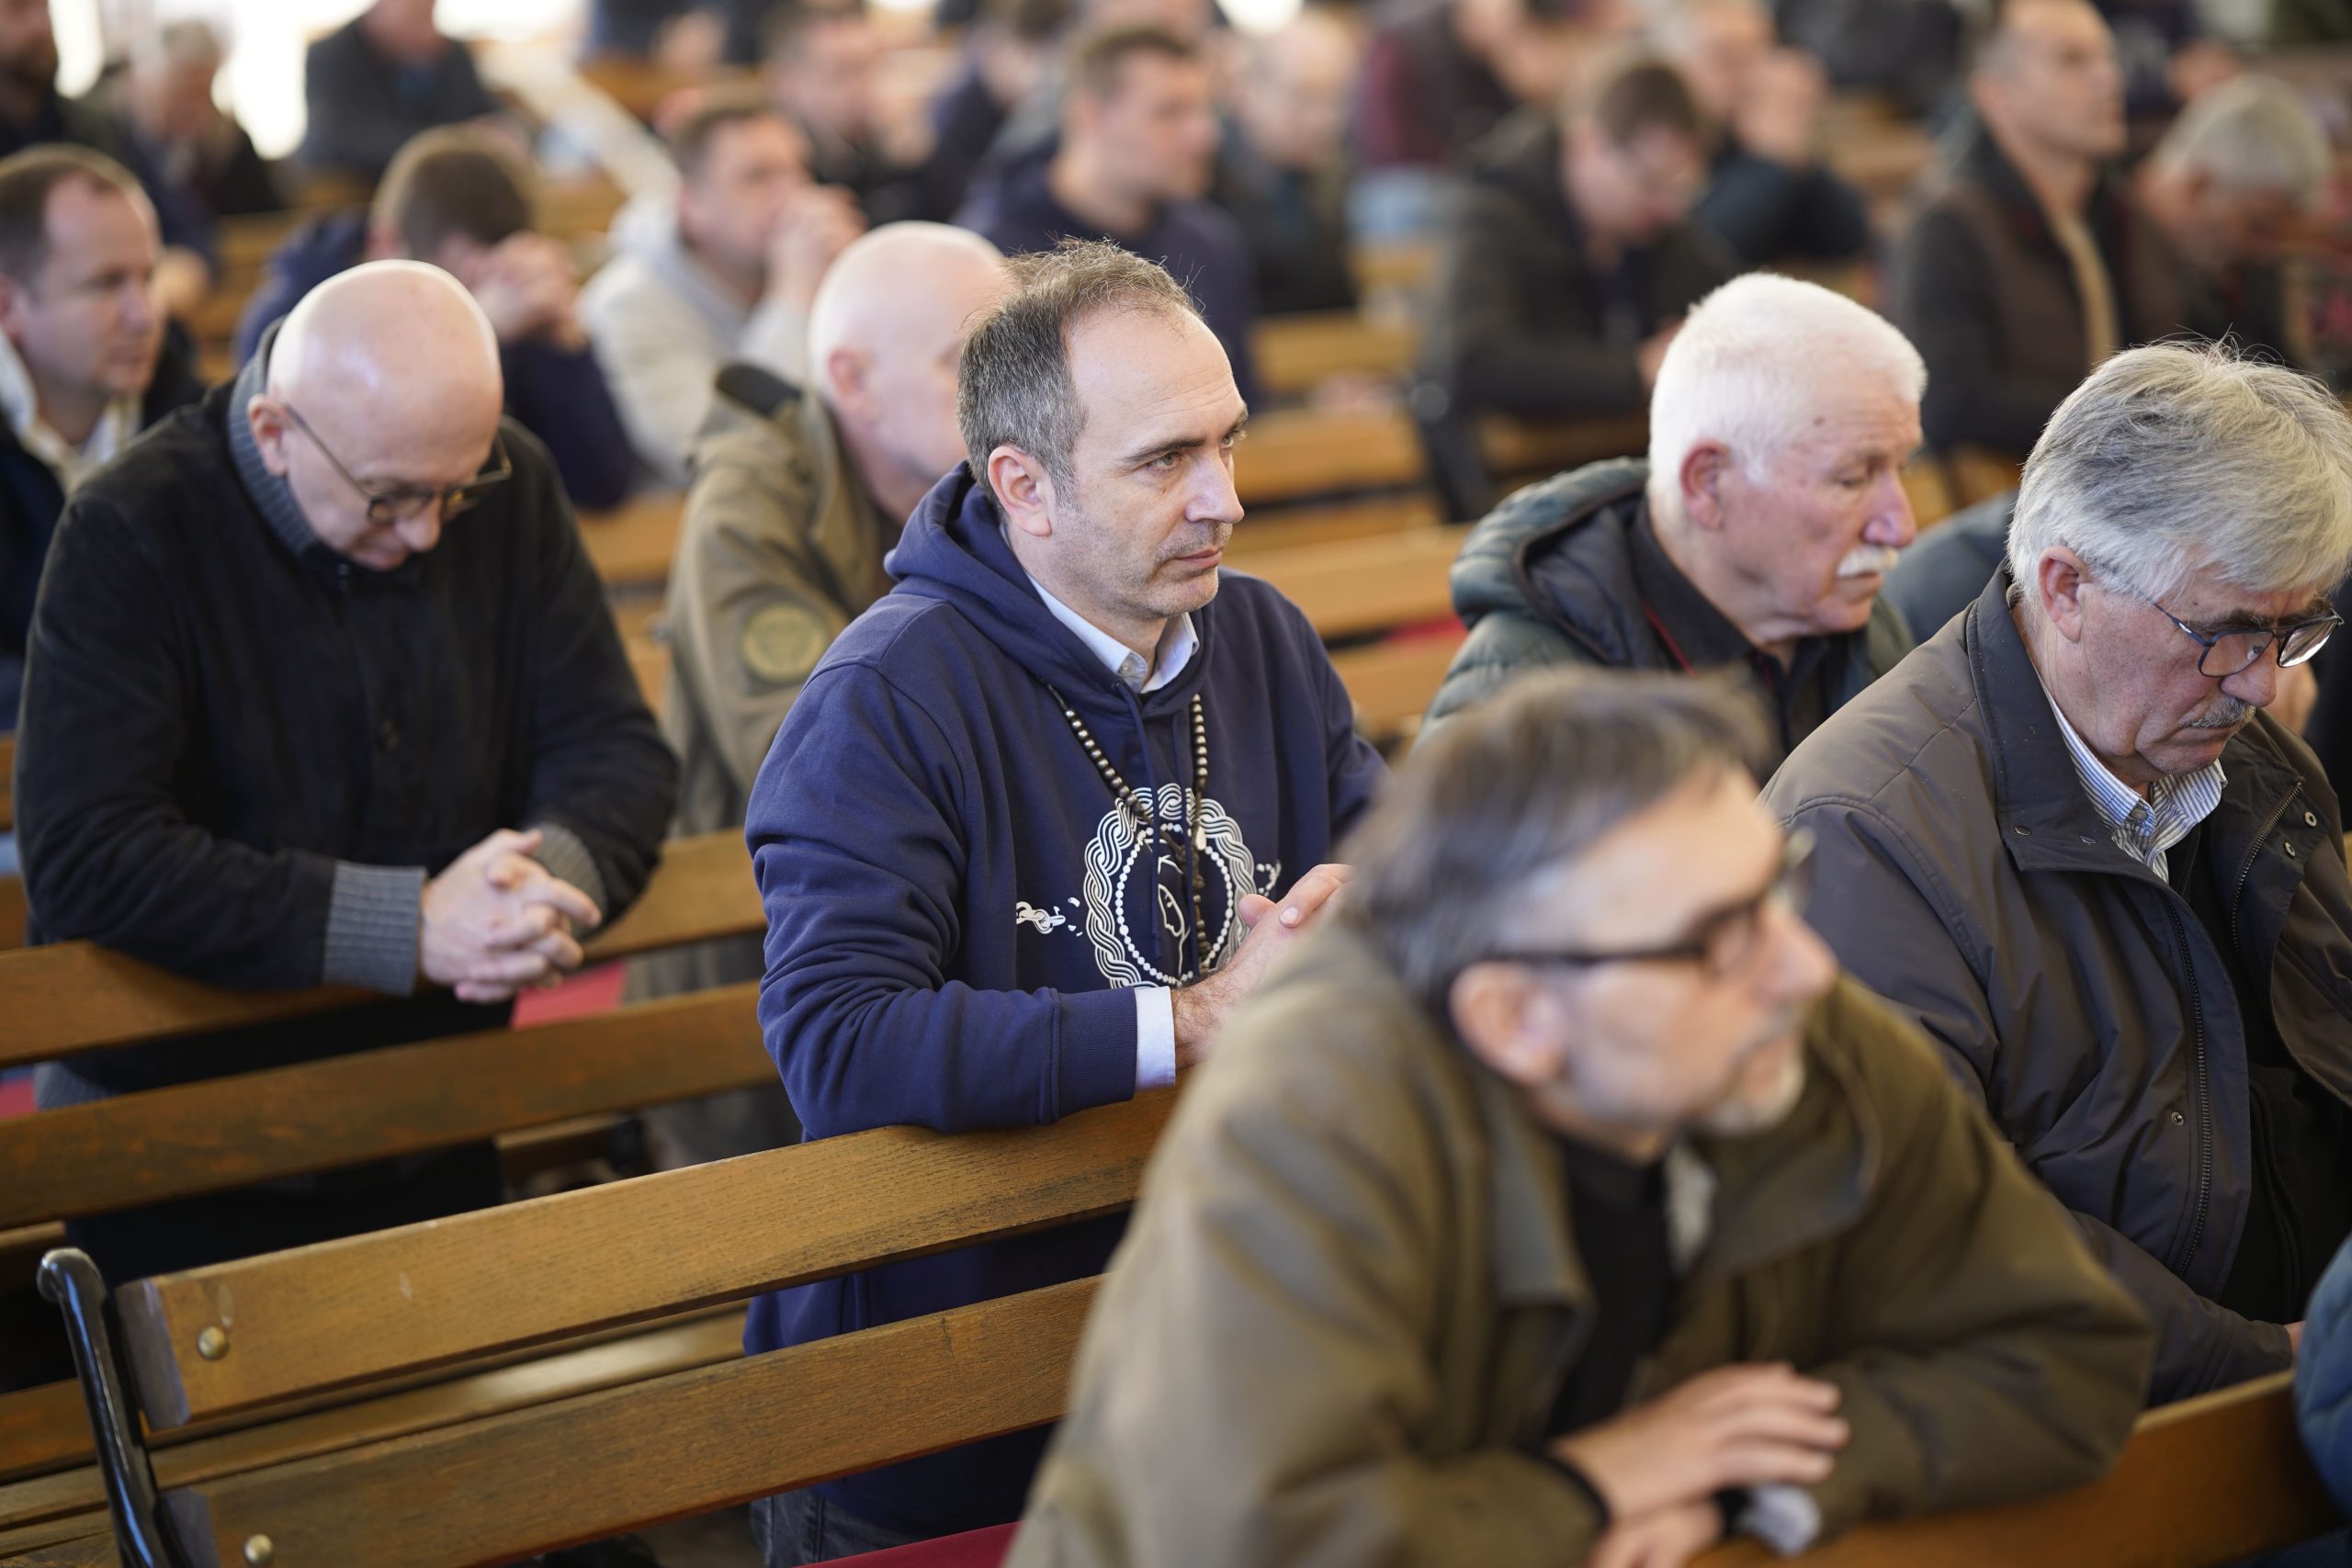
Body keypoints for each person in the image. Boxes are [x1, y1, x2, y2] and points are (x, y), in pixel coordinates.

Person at [1010, 669, 2155, 1567]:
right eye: (1716, 938)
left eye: (1780, 889)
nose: (1805, 967)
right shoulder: (1313, 1121)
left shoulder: (1796, 1039)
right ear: (1514, 1018)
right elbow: (1258, 1548)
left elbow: (2070, 1357)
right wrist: (1591, 1484)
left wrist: (1750, 1475)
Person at [741, 240, 1385, 1561]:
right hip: (951, 1400)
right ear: (1022, 486)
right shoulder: (886, 696)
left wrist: (1383, 910)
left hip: (1231, 1346)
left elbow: (1388, 862)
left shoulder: (1262, 635)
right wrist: (1187, 1022)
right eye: (1164, 461)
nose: (1223, 500)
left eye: (1228, 442)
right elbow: (837, 1043)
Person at [13, 261, 676, 1285]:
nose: (425, 533)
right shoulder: (132, 526)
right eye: (389, 496)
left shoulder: (512, 483)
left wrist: (531, 894)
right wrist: (408, 927)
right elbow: (89, 858)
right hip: (183, 1143)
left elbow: (616, 748)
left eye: (456, 490)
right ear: (275, 433)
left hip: (434, 1109)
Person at [1764, 343, 2352, 1404]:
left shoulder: (2245, 756)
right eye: (2226, 633)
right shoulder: (1862, 837)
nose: (2264, 685)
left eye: (2291, 632)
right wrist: (2280, 1366)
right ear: (2066, 586)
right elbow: (1938, 1235)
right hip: (2139, 1419)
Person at [637, 221, 1008, 1163]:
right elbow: (816, 767)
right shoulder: (750, 508)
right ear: (853, 381)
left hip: (962, 934)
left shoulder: (1006, 485)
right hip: (763, 966)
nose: (1005, 395)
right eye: (965, 364)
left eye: (1014, 358)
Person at [1426, 273, 1918, 760]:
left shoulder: (1863, 622)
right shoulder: (1525, 703)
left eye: (1901, 469)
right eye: (1852, 478)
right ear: (1708, 483)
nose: (1901, 528)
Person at [235, 129, 635, 512]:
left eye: (486, 283)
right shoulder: (286, 319)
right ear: (386, 243)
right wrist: (476, 337)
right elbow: (356, 480)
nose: (464, 302)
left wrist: (563, 345)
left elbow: (602, 487)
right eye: (453, 282)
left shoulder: (517, 308)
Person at [1416, 54, 1737, 517]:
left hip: (1616, 491)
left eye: (1681, 187)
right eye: (1649, 182)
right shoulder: (1494, 214)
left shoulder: (1654, 229)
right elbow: (1476, 360)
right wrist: (1636, 371)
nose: (1667, 206)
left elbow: (1733, 300)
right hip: (1508, 501)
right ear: (1588, 145)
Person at [1891, 0, 2181, 463]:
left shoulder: (2124, 211)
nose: (2109, 78)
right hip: (2013, 495)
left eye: (2106, 57)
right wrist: (2127, 421)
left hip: (2126, 477)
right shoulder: (1948, 226)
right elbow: (1950, 403)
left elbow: (2185, 342)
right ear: (1995, 95)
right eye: (2072, 60)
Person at [954, 25, 1261, 409]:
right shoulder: (993, 255)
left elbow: (1244, 409)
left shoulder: (1208, 243)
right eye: (1170, 112)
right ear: (1090, 116)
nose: (1205, 135)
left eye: (1205, 110)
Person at [0, 146, 200, 733]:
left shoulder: (194, 417)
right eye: (106, 284)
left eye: (149, 277)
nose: (145, 315)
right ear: (8, 305)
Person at [582, 92, 865, 489]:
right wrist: (793, 297)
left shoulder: (815, 265)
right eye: (758, 176)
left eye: (799, 170)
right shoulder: (626, 306)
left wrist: (859, 280)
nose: (793, 194)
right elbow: (712, 454)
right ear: (692, 203)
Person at [1655, 0, 1871, 267]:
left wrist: (1793, 154)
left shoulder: (1764, 138)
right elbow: (1707, 251)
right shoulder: (1662, 145)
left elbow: (1849, 240)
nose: (1750, 77)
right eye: (1727, 60)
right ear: (1676, 68)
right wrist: (1772, 160)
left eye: (1759, 57)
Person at [2137, 74, 2334, 367]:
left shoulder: (2244, 265)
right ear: (2198, 187)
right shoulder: (2103, 244)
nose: (2270, 250)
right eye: (2259, 227)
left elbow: (2285, 370)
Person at [1210, 10, 1361, 319]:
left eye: (1335, 99)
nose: (1324, 120)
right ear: (1248, 91)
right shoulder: (1204, 176)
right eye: (1304, 97)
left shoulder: (1330, 174)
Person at [93, 19, 281, 229]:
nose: (195, 108)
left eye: (204, 92)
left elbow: (267, 224)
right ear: (144, 82)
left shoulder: (228, 142)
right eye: (183, 92)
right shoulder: (100, 137)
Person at [761, 2, 933, 225]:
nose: (861, 87)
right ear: (787, 82)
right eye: (841, 72)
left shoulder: (882, 141)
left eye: (869, 67)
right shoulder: (769, 172)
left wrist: (915, 164)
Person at [299, 0, 503, 185]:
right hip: (357, 196)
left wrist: (501, 133)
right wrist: (453, 141)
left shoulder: (449, 54)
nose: (427, 27)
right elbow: (333, 139)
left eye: (430, 13)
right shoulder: (330, 56)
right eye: (416, 16)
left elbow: (486, 113)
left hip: (442, 194)